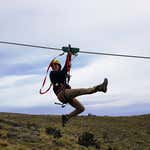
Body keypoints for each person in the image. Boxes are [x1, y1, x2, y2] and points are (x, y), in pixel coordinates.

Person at [49, 52, 108, 127]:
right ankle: (100, 87)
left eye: (55, 65)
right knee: (82, 91)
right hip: (62, 94)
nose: (54, 67)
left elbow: (65, 71)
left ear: (58, 66)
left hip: (65, 95)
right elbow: (64, 71)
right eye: (52, 66)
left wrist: (69, 60)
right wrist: (68, 56)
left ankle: (66, 117)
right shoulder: (52, 73)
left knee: (81, 108)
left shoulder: (60, 75)